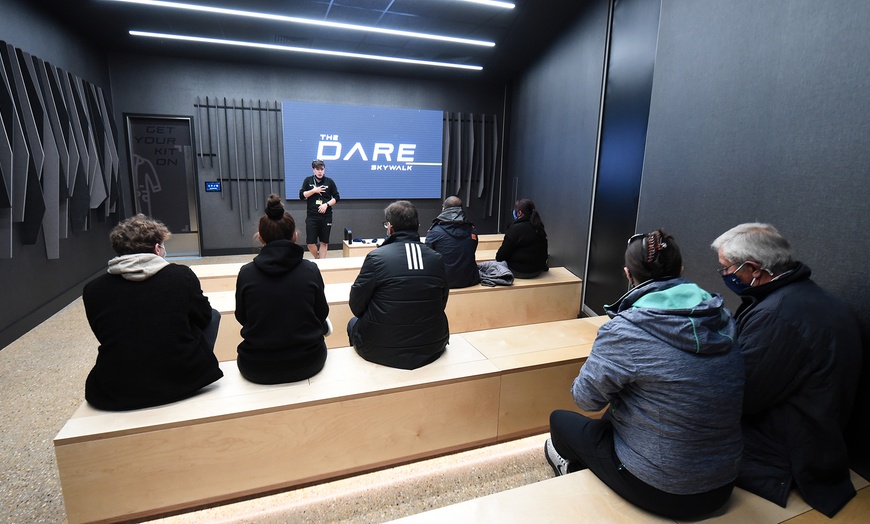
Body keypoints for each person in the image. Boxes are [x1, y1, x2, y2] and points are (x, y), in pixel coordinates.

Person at [545, 229, 744, 520]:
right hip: (724, 483)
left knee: (559, 423)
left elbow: (585, 400)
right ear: (681, 270)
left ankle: (576, 474)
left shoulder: (626, 331)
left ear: (628, 273)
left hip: (663, 490)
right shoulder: (723, 316)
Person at [711, 223, 862, 517]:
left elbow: (741, 396)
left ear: (753, 268)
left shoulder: (778, 317)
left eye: (726, 269)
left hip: (786, 455)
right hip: (820, 437)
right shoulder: (807, 297)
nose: (724, 275)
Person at [82, 214, 223, 411]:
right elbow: (205, 317)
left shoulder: (93, 289)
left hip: (116, 389)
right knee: (214, 314)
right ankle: (196, 364)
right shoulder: (181, 276)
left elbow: (102, 333)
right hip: (185, 379)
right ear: (157, 248)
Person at [234, 194, 330, 384]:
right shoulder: (310, 270)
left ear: (260, 237)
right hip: (308, 361)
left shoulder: (246, 273)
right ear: (295, 236)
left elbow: (242, 317)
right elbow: (321, 313)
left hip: (256, 366)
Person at [347, 200, 449, 369]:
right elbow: (442, 302)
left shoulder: (376, 257)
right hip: (433, 344)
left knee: (352, 323)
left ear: (390, 228)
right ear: (417, 225)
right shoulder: (436, 258)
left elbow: (356, 306)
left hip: (380, 349)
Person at [426, 196, 480, 288]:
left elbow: (427, 256)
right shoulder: (472, 230)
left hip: (443, 282)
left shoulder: (435, 232)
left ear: (444, 209)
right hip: (469, 280)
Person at [495, 198, 548, 278]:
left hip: (521, 271)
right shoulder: (538, 226)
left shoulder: (515, 229)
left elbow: (500, 256)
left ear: (519, 213)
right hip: (537, 270)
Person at [298, 159, 340, 258]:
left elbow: (337, 197)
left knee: (324, 242)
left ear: (324, 169)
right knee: (310, 243)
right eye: (317, 169)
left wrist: (327, 205)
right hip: (312, 216)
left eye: (322, 169)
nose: (320, 171)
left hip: (326, 216)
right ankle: (317, 257)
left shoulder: (329, 182)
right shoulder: (308, 181)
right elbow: (301, 195)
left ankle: (321, 263)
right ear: (313, 170)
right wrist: (314, 190)